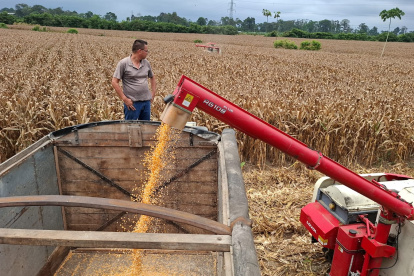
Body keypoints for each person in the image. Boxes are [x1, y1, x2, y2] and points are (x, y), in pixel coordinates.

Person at [112, 39, 156, 120]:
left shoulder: (146, 63)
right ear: (140, 51)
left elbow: (152, 77)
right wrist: (125, 99)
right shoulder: (123, 63)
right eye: (146, 51)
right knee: (130, 129)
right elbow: (114, 82)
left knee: (145, 128)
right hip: (132, 104)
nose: (147, 53)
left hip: (146, 102)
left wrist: (153, 93)